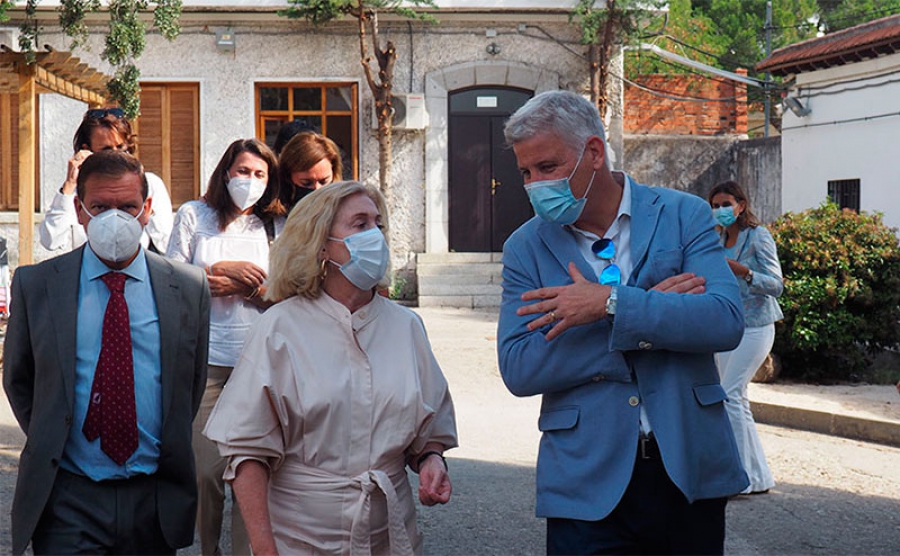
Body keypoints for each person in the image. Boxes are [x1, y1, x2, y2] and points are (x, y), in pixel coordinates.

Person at [496, 90, 749, 555]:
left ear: (593, 152)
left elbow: (724, 320)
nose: (535, 185)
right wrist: (649, 312)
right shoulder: (525, 247)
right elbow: (520, 367)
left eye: (547, 168)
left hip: (688, 469)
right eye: (525, 173)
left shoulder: (682, 214)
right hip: (585, 481)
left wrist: (610, 304)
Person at [204, 181, 458, 555]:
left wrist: (433, 459)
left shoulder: (406, 327)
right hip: (300, 539)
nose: (375, 235)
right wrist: (264, 547)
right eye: (359, 224)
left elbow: (429, 429)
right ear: (321, 243)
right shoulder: (280, 328)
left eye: (378, 224)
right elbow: (247, 453)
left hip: (389, 535)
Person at [3, 150, 209, 555]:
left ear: (146, 209)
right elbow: (19, 380)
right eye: (100, 207)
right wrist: (52, 436)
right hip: (69, 498)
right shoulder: (38, 285)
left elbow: (190, 385)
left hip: (154, 497)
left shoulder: (187, 287)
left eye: (127, 206)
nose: (114, 218)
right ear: (79, 212)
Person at [166, 137, 283, 556]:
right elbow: (172, 278)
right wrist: (216, 269)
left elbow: (284, 293)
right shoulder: (194, 215)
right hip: (207, 361)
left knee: (252, 473)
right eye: (242, 171)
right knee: (206, 472)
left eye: (259, 174)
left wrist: (243, 288)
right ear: (225, 172)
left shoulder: (274, 224)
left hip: (260, 364)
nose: (249, 181)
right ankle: (209, 550)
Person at [709, 180, 783, 495]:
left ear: (741, 205)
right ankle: (757, 477)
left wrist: (745, 272)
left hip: (757, 326)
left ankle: (738, 476)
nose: (721, 211)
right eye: (715, 205)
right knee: (736, 399)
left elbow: (776, 284)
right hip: (727, 327)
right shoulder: (716, 240)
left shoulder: (758, 237)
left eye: (726, 204)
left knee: (729, 394)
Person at [40, 107, 174, 254]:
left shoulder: (149, 183)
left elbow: (166, 244)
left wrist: (146, 214)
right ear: (87, 150)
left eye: (121, 148)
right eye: (107, 150)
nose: (116, 156)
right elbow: (51, 241)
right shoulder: (77, 191)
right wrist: (69, 186)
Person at [277, 130, 343, 210]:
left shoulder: (344, 208)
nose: (317, 189)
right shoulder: (273, 218)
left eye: (324, 181)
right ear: (288, 176)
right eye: (306, 183)